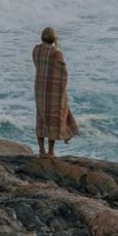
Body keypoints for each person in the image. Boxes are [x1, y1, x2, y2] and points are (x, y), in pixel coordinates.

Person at [32, 26, 78, 158]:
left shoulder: (36, 50)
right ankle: (51, 152)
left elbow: (37, 64)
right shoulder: (56, 53)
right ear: (54, 38)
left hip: (40, 88)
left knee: (40, 117)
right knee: (52, 118)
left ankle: (41, 150)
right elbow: (63, 72)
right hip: (53, 90)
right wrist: (62, 89)